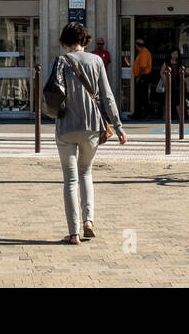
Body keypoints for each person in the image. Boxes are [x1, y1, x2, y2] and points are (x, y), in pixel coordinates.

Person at [51, 23, 126, 244]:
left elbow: (50, 93)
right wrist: (118, 127)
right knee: (86, 173)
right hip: (92, 126)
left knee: (70, 179)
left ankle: (73, 233)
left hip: (65, 126)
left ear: (64, 41)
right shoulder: (96, 61)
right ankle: (88, 221)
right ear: (85, 40)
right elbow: (108, 97)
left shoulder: (60, 61)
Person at [131, 38, 153, 119]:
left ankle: (143, 114)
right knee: (140, 96)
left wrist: (139, 77)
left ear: (137, 45)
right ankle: (138, 114)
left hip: (143, 76)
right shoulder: (142, 52)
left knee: (142, 96)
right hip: (142, 76)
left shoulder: (144, 52)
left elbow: (143, 67)